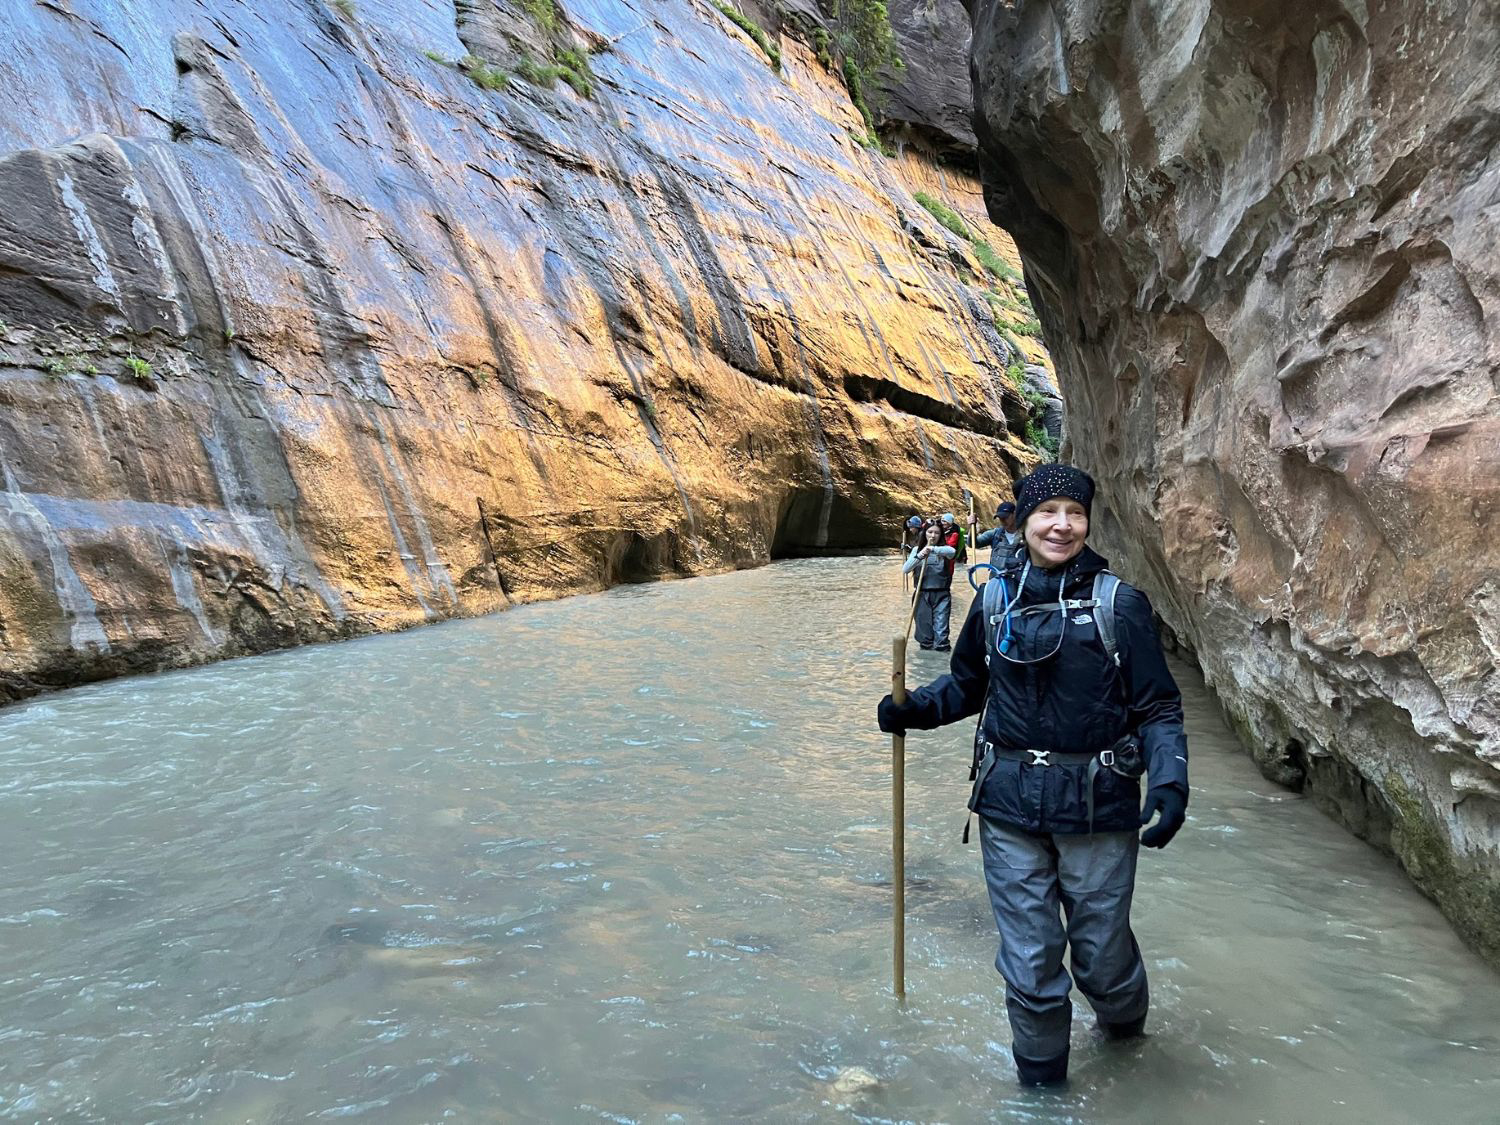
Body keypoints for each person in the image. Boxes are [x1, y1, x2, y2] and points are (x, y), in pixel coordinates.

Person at [877, 464, 1188, 1087]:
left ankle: (1127, 1045)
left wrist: (1170, 777)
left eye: (1075, 512)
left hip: (1098, 807)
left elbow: (1157, 706)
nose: (1063, 525)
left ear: (1088, 522)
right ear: (1021, 520)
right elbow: (968, 685)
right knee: (1030, 956)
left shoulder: (1119, 605)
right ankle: (1041, 1092)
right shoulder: (993, 600)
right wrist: (915, 710)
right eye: (1049, 512)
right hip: (1009, 805)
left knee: (1100, 955)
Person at [903, 520, 956, 651]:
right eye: (930, 532)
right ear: (924, 533)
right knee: (925, 635)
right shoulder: (917, 550)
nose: (933, 536)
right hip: (922, 595)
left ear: (941, 535)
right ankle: (926, 666)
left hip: (941, 595)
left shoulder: (944, 551)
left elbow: (952, 552)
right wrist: (920, 555)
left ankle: (942, 661)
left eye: (936, 533)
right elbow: (905, 569)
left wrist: (932, 549)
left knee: (941, 633)